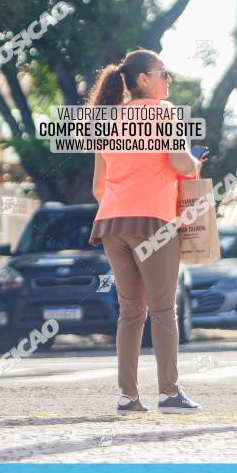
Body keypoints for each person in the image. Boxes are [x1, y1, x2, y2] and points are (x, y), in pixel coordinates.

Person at [88, 49, 202, 415]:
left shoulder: (106, 120)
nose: (168, 80)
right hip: (153, 219)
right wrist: (194, 162)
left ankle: (128, 397)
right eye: (162, 73)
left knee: (130, 311)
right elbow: (180, 162)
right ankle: (169, 394)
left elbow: (97, 188)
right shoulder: (163, 113)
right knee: (164, 308)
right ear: (143, 79)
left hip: (110, 223)